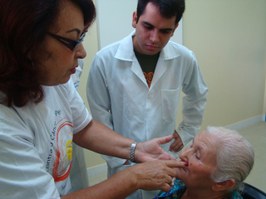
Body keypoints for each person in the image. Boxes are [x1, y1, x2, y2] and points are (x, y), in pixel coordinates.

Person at [0, 0, 186, 198]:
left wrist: (136, 149)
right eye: (72, 41)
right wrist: (134, 177)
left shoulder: (55, 81)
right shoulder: (5, 124)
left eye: (82, 37)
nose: (82, 52)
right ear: (25, 40)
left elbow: (84, 127)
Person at [87, 0, 208, 198]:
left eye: (164, 31)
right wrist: (119, 159)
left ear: (175, 28)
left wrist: (187, 130)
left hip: (164, 153)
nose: (154, 38)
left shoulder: (184, 58)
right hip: (122, 157)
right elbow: (99, 117)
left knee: (163, 195)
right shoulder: (105, 60)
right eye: (148, 26)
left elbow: (198, 94)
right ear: (135, 18)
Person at [153, 126, 255, 199]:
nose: (182, 155)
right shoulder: (179, 183)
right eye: (191, 146)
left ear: (222, 184)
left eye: (197, 156)